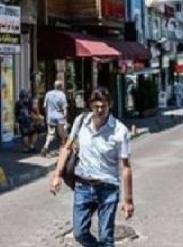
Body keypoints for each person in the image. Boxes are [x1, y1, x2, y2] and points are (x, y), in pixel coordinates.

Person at [50, 87, 135, 246]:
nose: (100, 110)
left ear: (110, 105)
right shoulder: (81, 121)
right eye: (96, 106)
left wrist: (128, 200)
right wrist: (57, 175)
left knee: (105, 236)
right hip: (83, 186)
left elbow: (125, 167)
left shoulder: (120, 131)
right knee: (79, 233)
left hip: (108, 188)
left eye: (104, 106)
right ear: (90, 105)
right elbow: (67, 147)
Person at [41, 81, 69, 157]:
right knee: (62, 134)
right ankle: (62, 149)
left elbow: (45, 106)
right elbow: (65, 108)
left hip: (50, 116)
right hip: (59, 117)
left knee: (50, 133)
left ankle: (46, 146)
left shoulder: (48, 94)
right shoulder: (62, 95)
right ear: (61, 87)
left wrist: (47, 115)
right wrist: (65, 119)